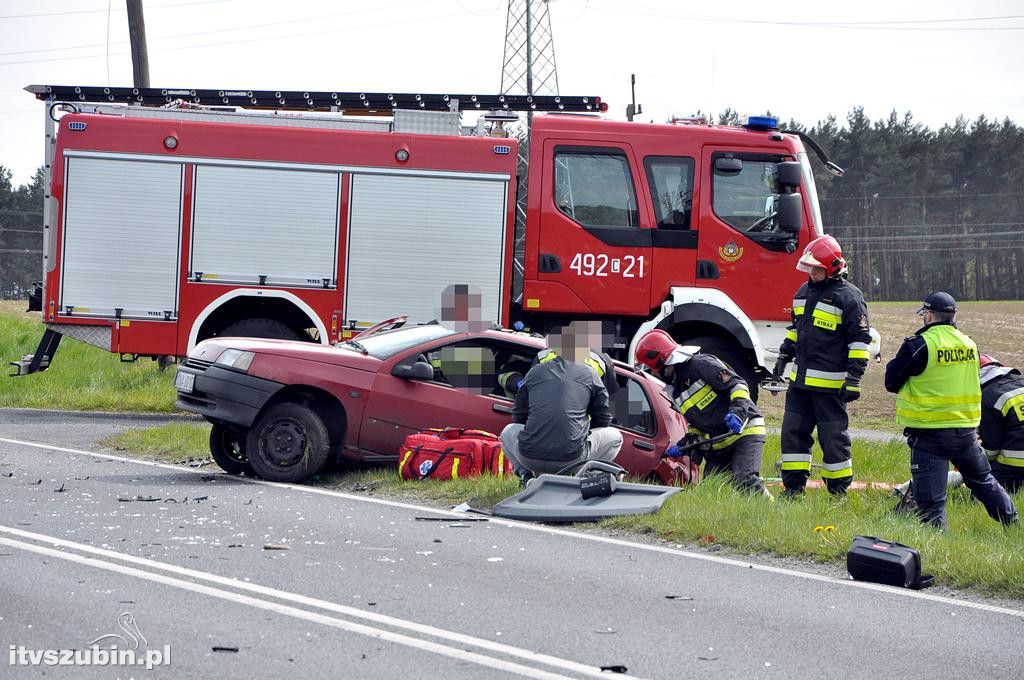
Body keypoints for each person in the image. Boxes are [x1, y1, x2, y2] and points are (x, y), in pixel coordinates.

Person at [884, 292, 1018, 529]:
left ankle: (936, 544)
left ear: (928, 315)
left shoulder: (919, 345)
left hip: (929, 434)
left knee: (932, 502)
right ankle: (1013, 524)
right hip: (965, 432)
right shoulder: (969, 344)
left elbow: (891, 382)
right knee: (984, 482)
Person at [775, 235, 871, 497]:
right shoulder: (802, 293)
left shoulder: (849, 297)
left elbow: (859, 341)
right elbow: (797, 329)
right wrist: (784, 354)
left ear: (832, 268)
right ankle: (793, 489)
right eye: (809, 268)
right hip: (800, 384)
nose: (812, 273)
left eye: (816, 269)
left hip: (830, 388)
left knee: (833, 439)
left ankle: (838, 493)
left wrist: (854, 379)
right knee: (792, 435)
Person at [635, 329, 767, 494]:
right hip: (719, 443)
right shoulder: (673, 391)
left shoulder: (700, 364)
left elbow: (738, 385)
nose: (653, 373)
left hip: (745, 430)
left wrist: (737, 413)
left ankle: (772, 508)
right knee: (711, 491)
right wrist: (685, 445)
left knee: (745, 479)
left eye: (651, 369)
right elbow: (697, 425)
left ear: (661, 362)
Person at [499, 322, 623, 478]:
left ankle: (527, 477)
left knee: (506, 432)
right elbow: (604, 418)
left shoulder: (535, 370)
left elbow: (519, 416)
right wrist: (582, 433)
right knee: (616, 437)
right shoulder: (592, 371)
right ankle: (582, 479)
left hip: (529, 457)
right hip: (572, 457)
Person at [978, 354, 1024, 494]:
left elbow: (992, 448)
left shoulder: (987, 395)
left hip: (1016, 463)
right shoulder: (1020, 381)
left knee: (981, 494)